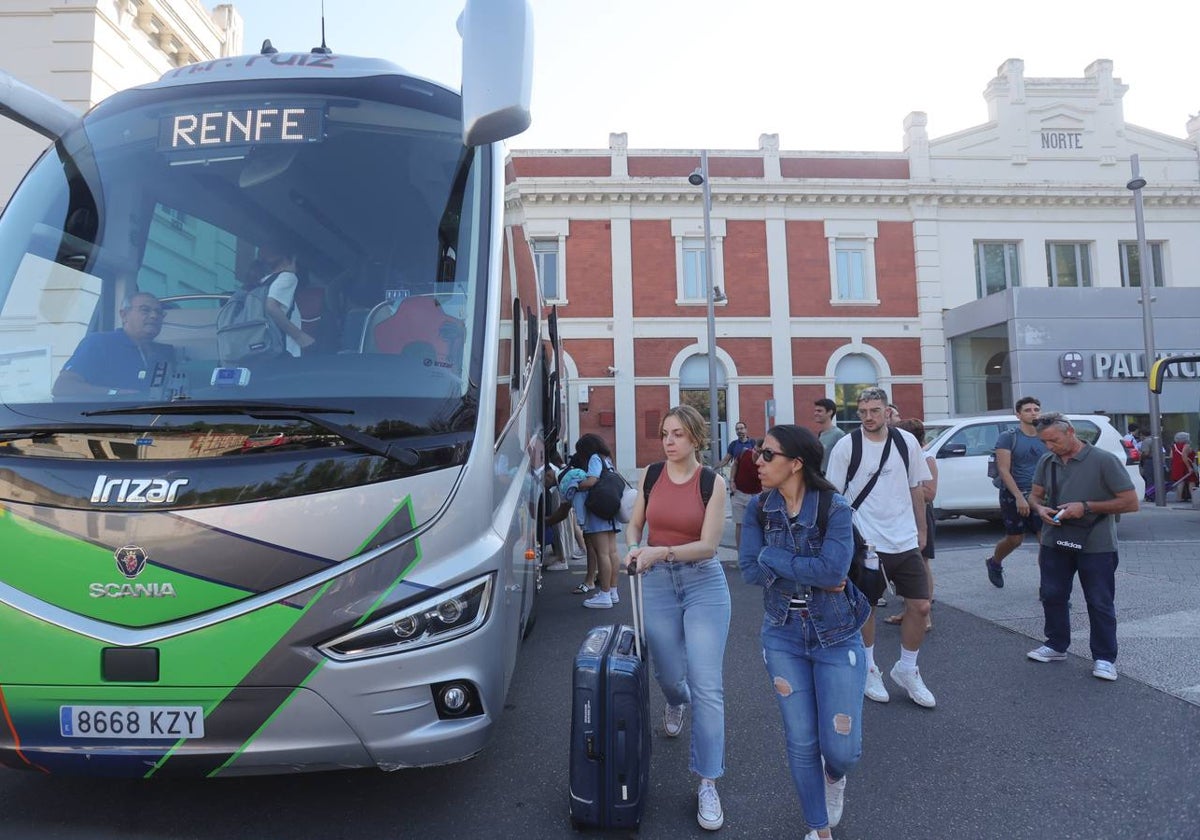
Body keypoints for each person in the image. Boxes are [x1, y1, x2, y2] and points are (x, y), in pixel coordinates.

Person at [738, 425, 871, 840]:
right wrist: (791, 565)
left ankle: (835, 776)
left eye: (767, 455)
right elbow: (747, 570)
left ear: (796, 463)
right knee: (800, 739)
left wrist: (771, 556)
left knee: (841, 750)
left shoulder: (835, 507)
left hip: (837, 634)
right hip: (783, 634)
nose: (757, 461)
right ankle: (818, 829)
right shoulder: (758, 509)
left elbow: (835, 571)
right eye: (759, 453)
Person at [624, 405, 730, 831]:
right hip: (655, 583)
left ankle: (708, 781)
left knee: (708, 687)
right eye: (665, 434)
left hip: (704, 584)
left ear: (695, 439)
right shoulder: (650, 475)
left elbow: (708, 546)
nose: (669, 441)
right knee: (668, 675)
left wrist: (660, 551)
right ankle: (674, 700)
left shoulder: (712, 482)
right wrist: (634, 548)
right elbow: (634, 526)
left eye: (678, 435)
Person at [825, 387, 933, 708]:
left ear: (888, 411)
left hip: (905, 539)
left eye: (875, 410)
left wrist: (921, 531)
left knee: (921, 606)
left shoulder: (906, 442)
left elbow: (917, 489)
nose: (868, 417)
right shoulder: (848, 446)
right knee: (867, 607)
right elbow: (834, 496)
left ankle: (907, 669)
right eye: (862, 412)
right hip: (866, 540)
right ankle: (870, 668)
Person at [1025, 413, 1139, 681]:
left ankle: (1104, 658)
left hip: (1096, 543)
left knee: (1099, 601)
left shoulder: (1103, 460)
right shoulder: (1047, 460)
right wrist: (1039, 508)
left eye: (1054, 440)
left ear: (1071, 431)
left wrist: (1085, 507)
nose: (1050, 446)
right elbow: (1034, 495)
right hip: (1055, 539)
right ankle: (1055, 645)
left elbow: (1131, 502)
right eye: (1045, 442)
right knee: (1052, 594)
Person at [52, 292, 176, 398]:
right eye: (145, 310)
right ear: (124, 315)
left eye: (158, 312)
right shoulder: (99, 343)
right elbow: (63, 387)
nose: (154, 316)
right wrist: (115, 393)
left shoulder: (165, 352)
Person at [984, 397, 1050, 588]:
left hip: (1041, 495)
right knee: (1015, 539)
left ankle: (1047, 586)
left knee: (1046, 541)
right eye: (1028, 410)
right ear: (1018, 414)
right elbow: (1004, 470)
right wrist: (1020, 497)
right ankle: (994, 562)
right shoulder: (1009, 437)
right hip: (1014, 493)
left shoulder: (1046, 435)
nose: (1033, 413)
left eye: (1036, 409)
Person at [886, 418, 937, 632]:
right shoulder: (897, 458)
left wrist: (903, 485)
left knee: (921, 563)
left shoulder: (927, 458)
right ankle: (908, 611)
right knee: (904, 565)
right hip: (899, 515)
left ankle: (924, 617)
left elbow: (930, 493)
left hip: (920, 515)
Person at [572, 434, 623, 609]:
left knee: (602, 553)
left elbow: (592, 481)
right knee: (612, 552)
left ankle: (605, 594)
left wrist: (575, 485)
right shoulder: (607, 459)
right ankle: (614, 591)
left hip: (598, 511)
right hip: (611, 510)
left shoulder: (594, 458)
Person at [253, 241, 315, 357]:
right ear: (290, 260)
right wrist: (300, 336)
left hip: (262, 348)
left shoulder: (261, 283)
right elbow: (271, 306)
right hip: (282, 350)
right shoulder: (288, 277)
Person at [728, 426, 761, 550]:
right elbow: (734, 464)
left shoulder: (765, 461)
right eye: (756, 451)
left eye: (760, 452)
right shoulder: (743, 452)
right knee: (740, 525)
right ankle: (740, 554)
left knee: (756, 525)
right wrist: (732, 481)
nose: (756, 454)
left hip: (756, 496)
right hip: (739, 493)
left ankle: (755, 552)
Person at [812, 398, 845, 474]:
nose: (815, 413)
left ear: (830, 412)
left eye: (819, 411)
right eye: (815, 411)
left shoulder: (838, 434)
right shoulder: (820, 434)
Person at [1169, 431, 1196, 502]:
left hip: (1176, 465)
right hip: (1185, 464)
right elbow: (1184, 456)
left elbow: (1171, 456)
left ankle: (1179, 497)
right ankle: (1194, 498)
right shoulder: (1187, 445)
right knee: (1191, 481)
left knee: (1180, 481)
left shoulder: (1174, 446)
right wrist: (1189, 467)